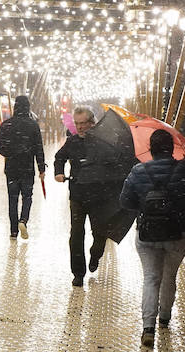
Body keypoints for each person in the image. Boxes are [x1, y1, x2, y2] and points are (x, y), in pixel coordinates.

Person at [119, 129, 185, 348]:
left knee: (151, 278)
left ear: (150, 149)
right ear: (172, 149)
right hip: (177, 232)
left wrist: (145, 206)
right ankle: (165, 317)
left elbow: (125, 201)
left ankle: (147, 328)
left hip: (147, 233)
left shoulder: (137, 170)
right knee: (170, 276)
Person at [54, 105, 135, 287]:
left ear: (92, 123)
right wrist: (58, 172)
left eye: (83, 123)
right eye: (77, 124)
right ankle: (78, 273)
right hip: (77, 195)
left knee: (99, 233)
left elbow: (116, 164)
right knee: (76, 233)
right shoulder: (72, 142)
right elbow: (59, 157)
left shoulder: (104, 143)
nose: (80, 127)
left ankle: (96, 254)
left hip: (100, 196)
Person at [0, 95, 46, 239]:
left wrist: (9, 153)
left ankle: (13, 231)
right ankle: (23, 220)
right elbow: (39, 149)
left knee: (12, 199)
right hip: (27, 168)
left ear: (15, 107)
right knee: (27, 196)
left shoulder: (7, 124)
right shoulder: (33, 125)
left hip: (11, 168)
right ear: (28, 107)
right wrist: (41, 168)